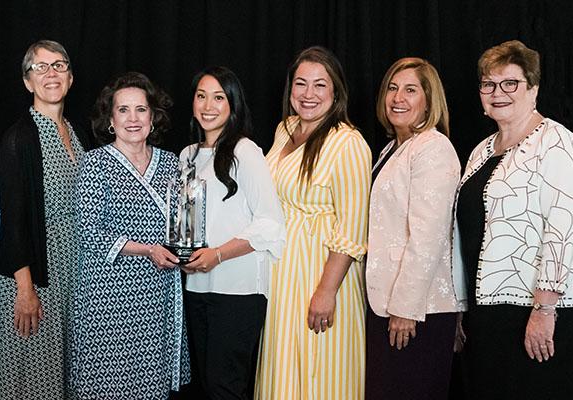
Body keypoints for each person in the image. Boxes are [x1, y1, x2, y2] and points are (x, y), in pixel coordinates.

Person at [454, 40, 573, 399]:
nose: (498, 92)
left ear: (533, 89)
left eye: (511, 83)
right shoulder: (481, 150)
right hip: (492, 311)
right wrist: (461, 307)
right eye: (488, 84)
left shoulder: (557, 144)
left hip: (547, 311)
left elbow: (565, 229)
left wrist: (544, 308)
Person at [0, 39, 93, 399]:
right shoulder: (20, 138)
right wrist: (25, 290)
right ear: (28, 82)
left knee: (63, 374)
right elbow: (11, 218)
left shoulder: (77, 134)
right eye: (40, 67)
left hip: (70, 270)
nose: (51, 74)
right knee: (30, 378)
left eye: (58, 65)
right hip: (33, 276)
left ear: (71, 78)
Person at [255, 46, 372, 400]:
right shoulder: (284, 129)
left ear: (335, 91)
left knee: (319, 372)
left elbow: (353, 229)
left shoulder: (347, 143)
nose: (309, 95)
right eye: (301, 84)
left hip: (319, 278)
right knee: (283, 369)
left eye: (320, 85)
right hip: (280, 277)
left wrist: (326, 291)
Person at [69, 72, 189, 399]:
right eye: (123, 110)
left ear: (153, 117)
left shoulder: (171, 163)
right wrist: (147, 249)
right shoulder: (94, 164)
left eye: (141, 109)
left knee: (148, 384)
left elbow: (184, 225)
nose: (132, 119)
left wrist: (188, 252)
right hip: (106, 297)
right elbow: (88, 232)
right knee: (105, 384)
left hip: (155, 292)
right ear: (111, 118)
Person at [179, 66, 285, 399]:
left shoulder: (246, 152)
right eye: (201, 96)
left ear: (232, 105)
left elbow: (270, 222)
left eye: (218, 97)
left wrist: (219, 254)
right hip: (196, 286)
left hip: (238, 291)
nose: (208, 106)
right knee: (207, 386)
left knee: (226, 387)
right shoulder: (188, 155)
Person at [364, 57, 463, 399]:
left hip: (416, 311)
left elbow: (428, 237)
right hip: (386, 302)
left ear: (428, 100)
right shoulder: (393, 148)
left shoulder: (434, 148)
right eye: (392, 88)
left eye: (410, 90)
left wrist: (405, 309)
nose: (398, 98)